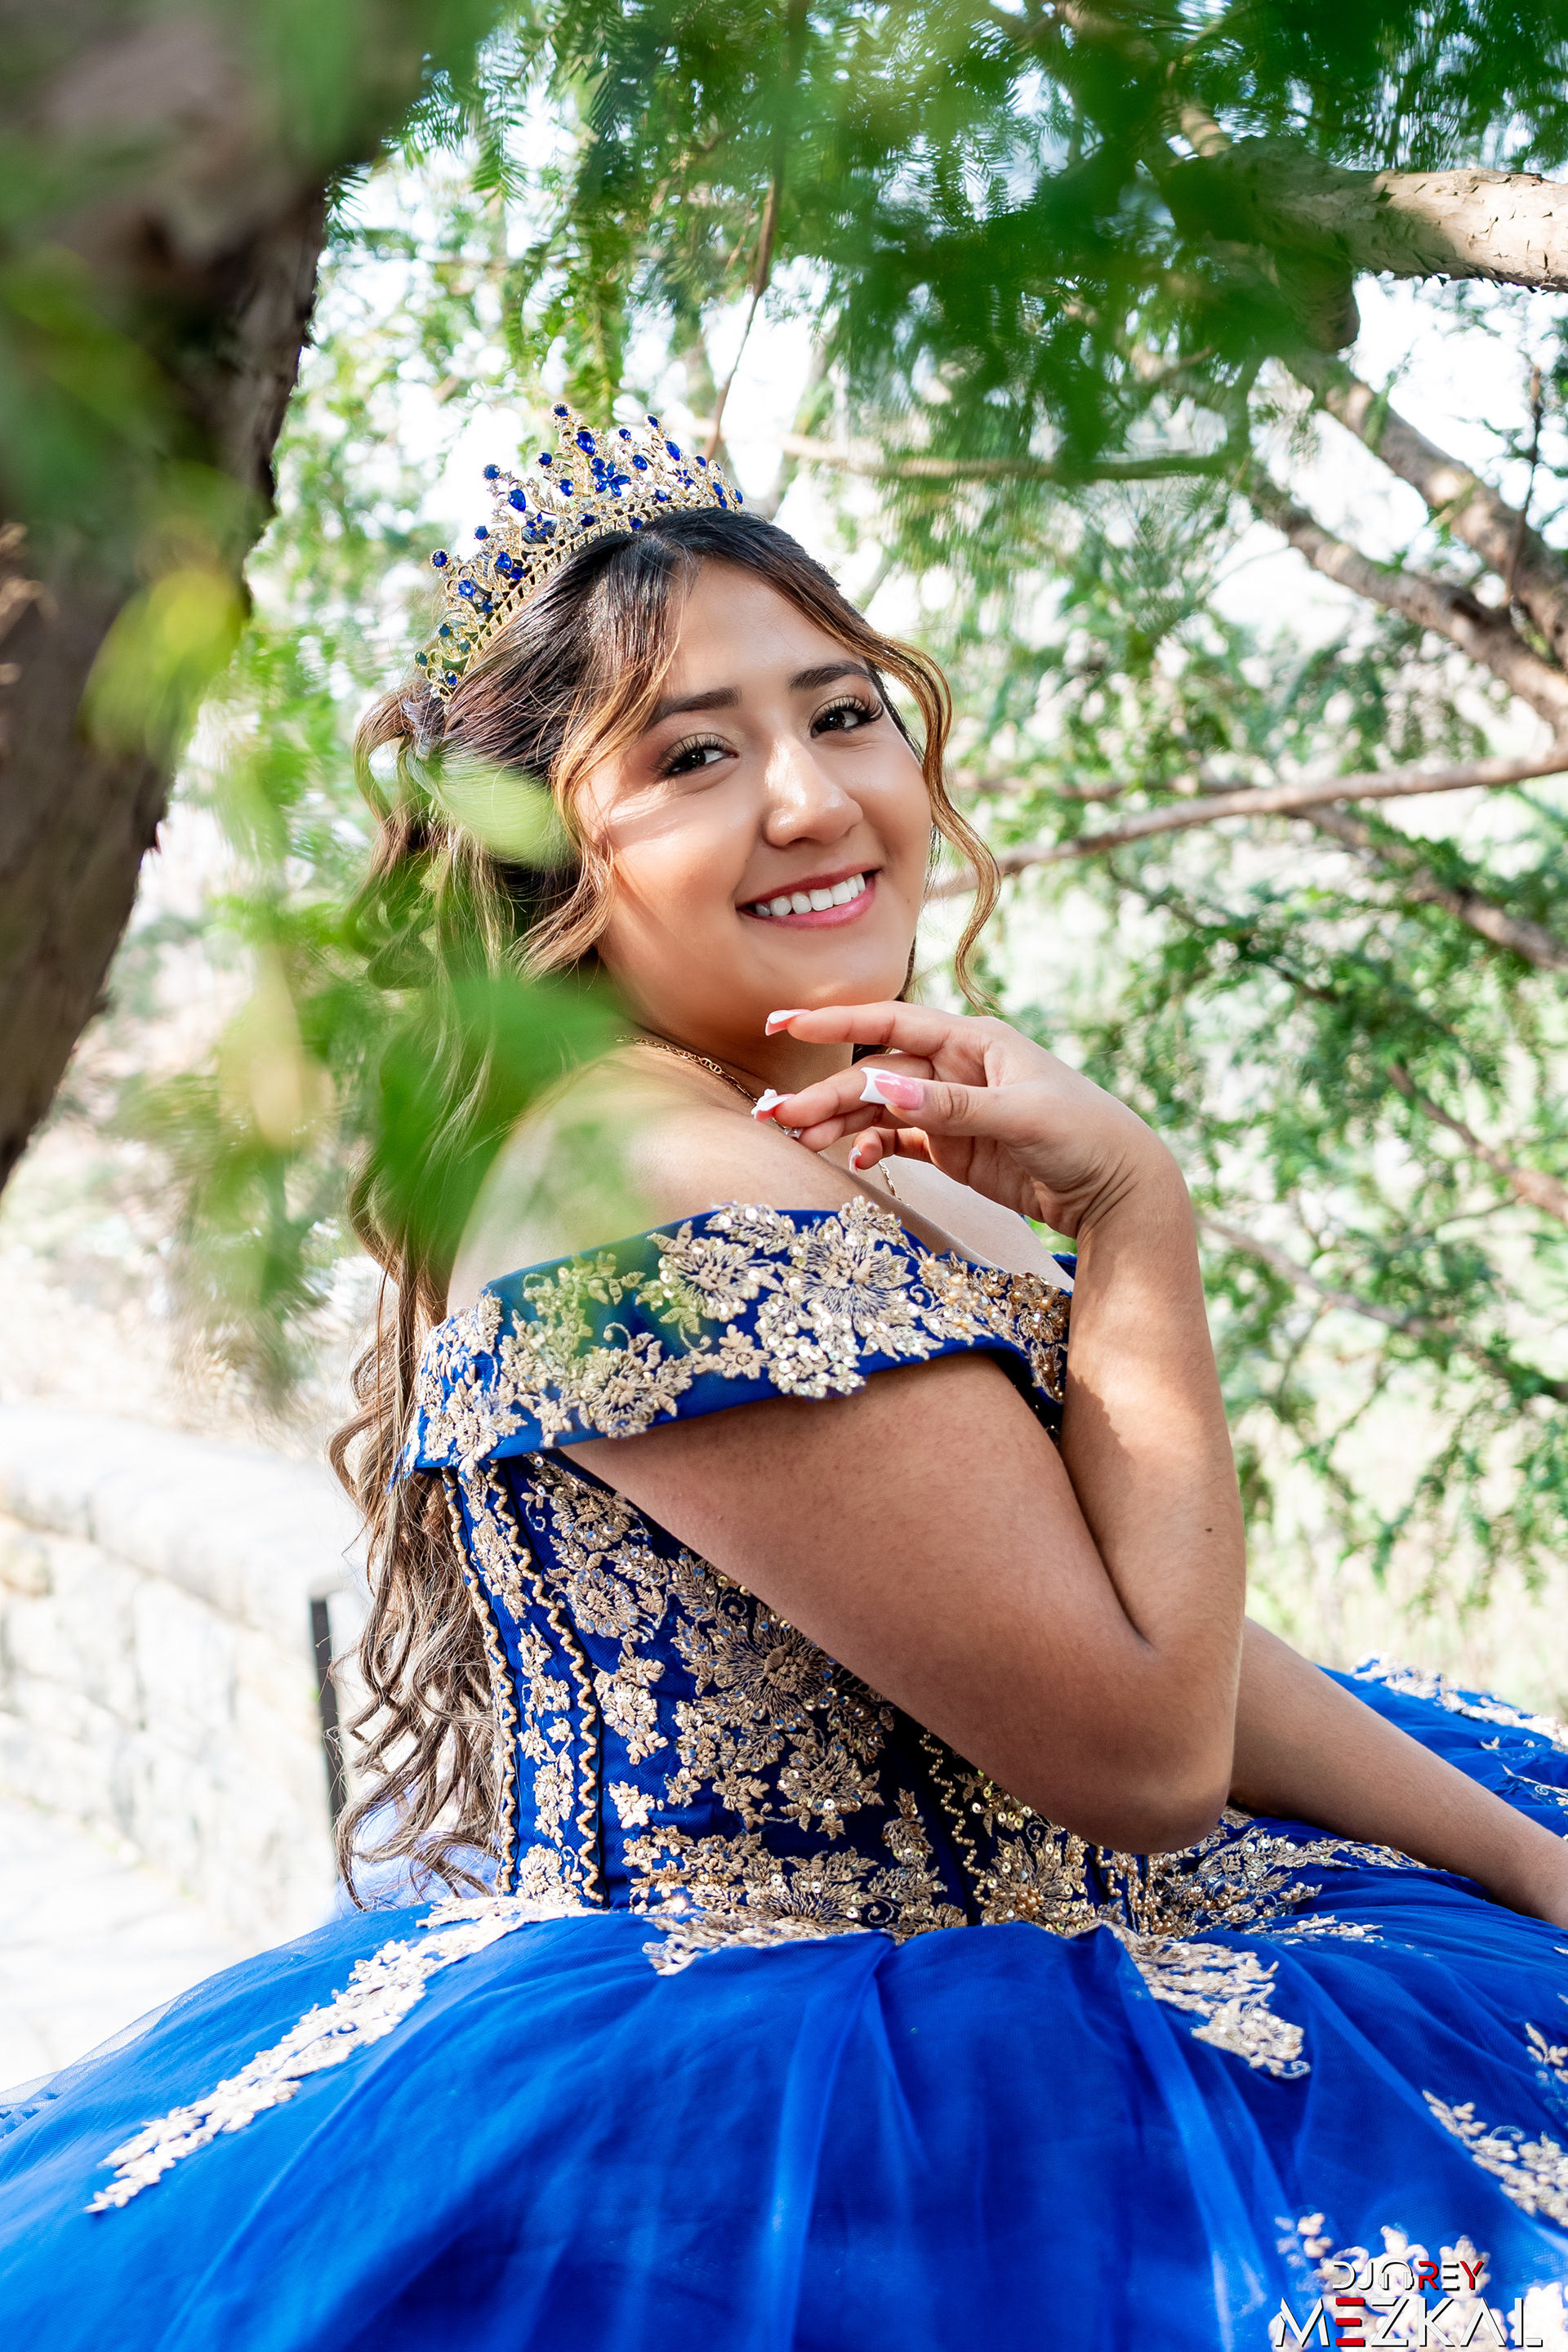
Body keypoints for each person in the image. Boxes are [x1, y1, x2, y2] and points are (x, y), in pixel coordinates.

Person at [2, 403, 1566, 2350]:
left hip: (1106, 1959)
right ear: (543, 847)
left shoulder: (812, 1122)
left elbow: (1108, 1608)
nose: (813, 799)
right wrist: (1136, 1220)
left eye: (842, 714)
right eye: (692, 756)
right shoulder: (637, 1176)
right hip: (818, 2118)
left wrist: (1523, 1856)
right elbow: (1147, 1762)